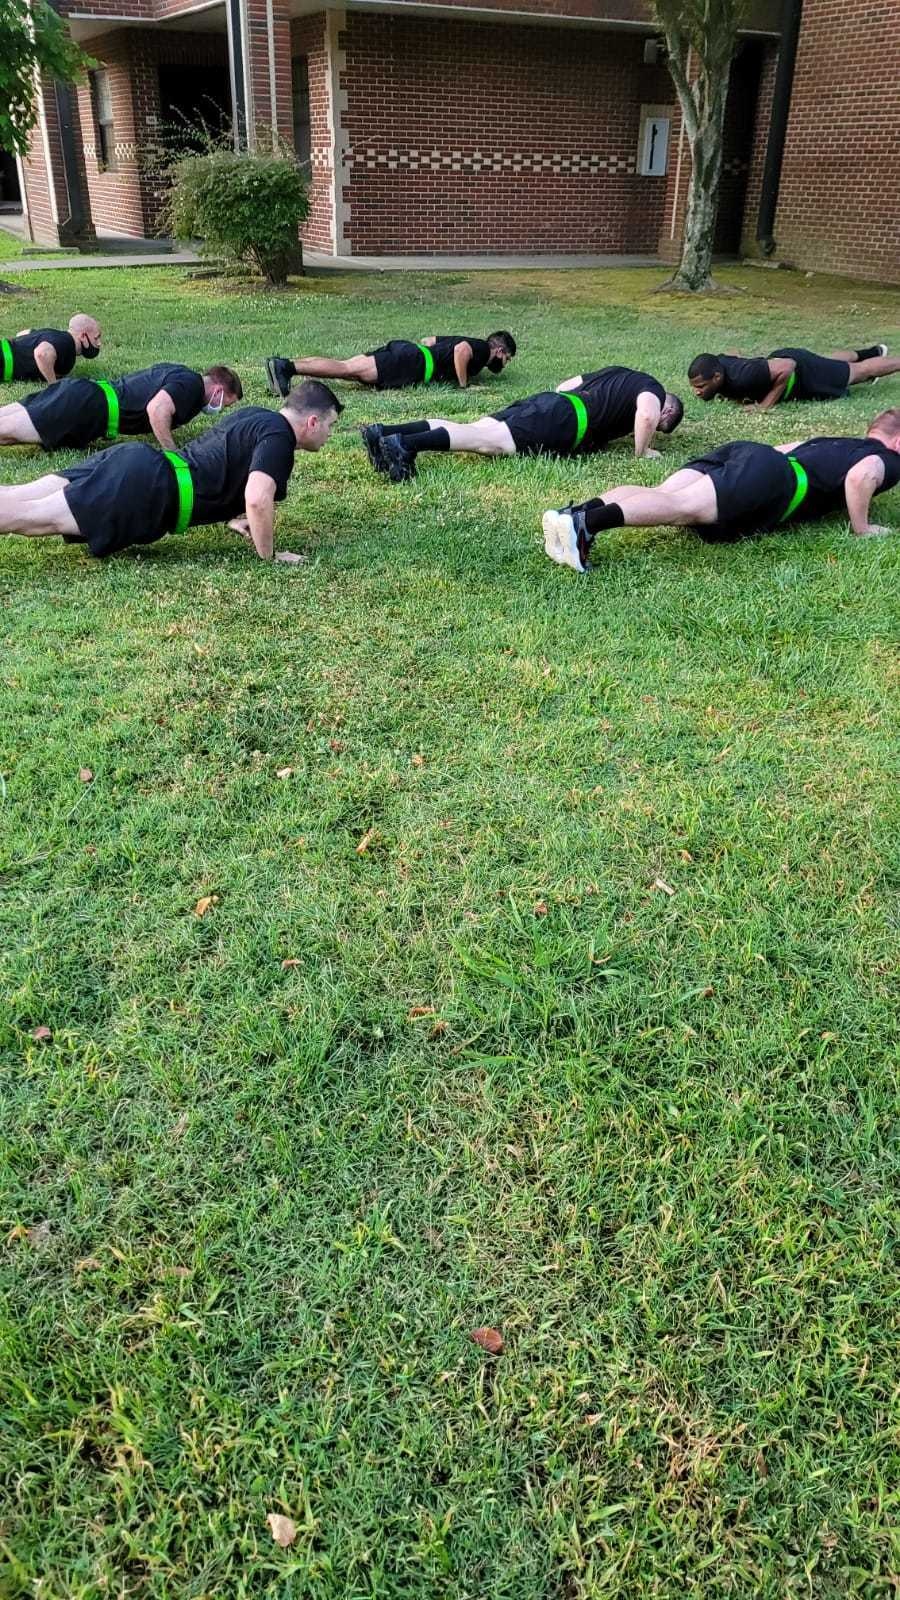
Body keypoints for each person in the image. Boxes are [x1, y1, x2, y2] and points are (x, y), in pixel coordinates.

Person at [0, 378, 342, 563]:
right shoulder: (279, 437)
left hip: (137, 463)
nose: (328, 436)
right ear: (312, 422)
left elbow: (224, 464)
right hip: (146, 488)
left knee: (21, 495)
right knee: (28, 517)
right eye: (330, 426)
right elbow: (257, 498)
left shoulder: (256, 416)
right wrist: (269, 555)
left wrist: (237, 518)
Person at [541, 408, 900, 573]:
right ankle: (586, 524)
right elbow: (862, 477)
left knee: (662, 493)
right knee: (681, 506)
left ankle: (571, 516)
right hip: (773, 478)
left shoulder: (837, 441)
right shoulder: (886, 457)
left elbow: (786, 446)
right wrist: (862, 527)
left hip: (750, 453)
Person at [362, 366, 684, 482]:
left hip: (548, 403)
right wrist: (643, 452)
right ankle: (406, 446)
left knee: (474, 429)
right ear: (667, 413)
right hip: (564, 421)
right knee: (487, 442)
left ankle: (385, 433)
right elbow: (645, 415)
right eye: (661, 427)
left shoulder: (621, 374)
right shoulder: (652, 390)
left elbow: (567, 383)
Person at [0, 363, 243, 453]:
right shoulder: (191, 386)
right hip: (85, 408)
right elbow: (157, 410)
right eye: (224, 404)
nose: (219, 408)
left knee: (7, 431)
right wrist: (173, 452)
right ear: (219, 391)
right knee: (7, 431)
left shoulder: (181, 372)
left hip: (83, 394)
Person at [265, 331, 516, 396]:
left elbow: (430, 339)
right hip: (411, 361)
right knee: (347, 369)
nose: (504, 364)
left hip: (408, 353)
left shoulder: (471, 342)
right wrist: (464, 385)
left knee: (348, 371)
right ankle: (286, 367)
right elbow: (461, 352)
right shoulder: (483, 350)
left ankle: (286, 367)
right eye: (507, 359)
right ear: (500, 350)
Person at [688, 343, 900, 410]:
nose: (697, 391)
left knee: (857, 372)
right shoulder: (718, 364)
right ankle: (872, 352)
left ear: (717, 377)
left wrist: (765, 405)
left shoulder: (745, 376)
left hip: (800, 372)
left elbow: (788, 367)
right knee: (826, 361)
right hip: (787, 360)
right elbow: (733, 353)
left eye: (701, 386)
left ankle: (878, 360)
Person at [0, 314, 103, 385]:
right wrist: (53, 385)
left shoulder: (55, 334)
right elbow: (42, 353)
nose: (99, 343)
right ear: (83, 336)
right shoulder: (67, 345)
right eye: (96, 338)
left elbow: (24, 333)